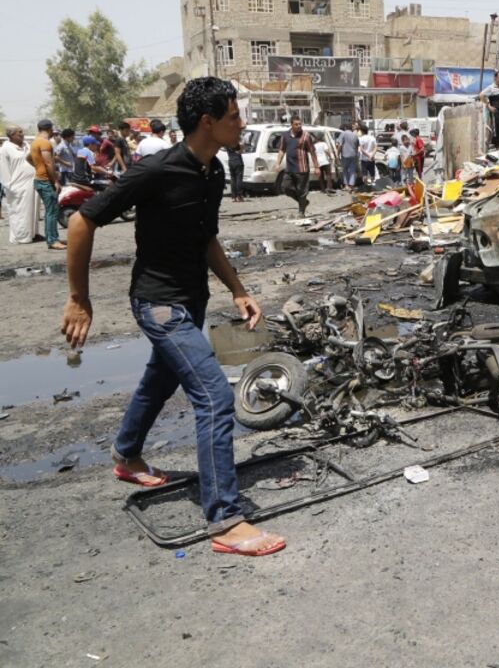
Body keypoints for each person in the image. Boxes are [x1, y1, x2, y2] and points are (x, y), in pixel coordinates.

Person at [61, 76, 285, 557]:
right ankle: (225, 520)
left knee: (160, 379)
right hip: (159, 304)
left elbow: (206, 238)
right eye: (234, 116)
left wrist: (238, 290)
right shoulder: (155, 170)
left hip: (192, 299)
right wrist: (79, 298)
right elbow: (82, 221)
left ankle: (126, 455)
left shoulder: (213, 171)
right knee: (214, 397)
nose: (241, 123)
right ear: (207, 122)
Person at [29, 118, 66, 250]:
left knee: (50, 210)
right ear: (50, 129)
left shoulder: (35, 142)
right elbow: (49, 163)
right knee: (52, 211)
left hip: (40, 179)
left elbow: (28, 158)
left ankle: (53, 237)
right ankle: (52, 240)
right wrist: (55, 181)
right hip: (46, 181)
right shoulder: (45, 143)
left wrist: (38, 167)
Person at [0, 126, 39, 244]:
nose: (22, 134)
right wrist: (10, 187)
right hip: (17, 186)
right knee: (19, 212)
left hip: (32, 183)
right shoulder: (5, 149)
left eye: (22, 132)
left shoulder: (27, 145)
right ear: (11, 135)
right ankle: (21, 237)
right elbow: (4, 170)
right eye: (19, 132)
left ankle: (32, 234)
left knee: (33, 211)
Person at [274, 116, 317, 216]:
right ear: (291, 125)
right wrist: (277, 163)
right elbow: (282, 150)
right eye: (296, 124)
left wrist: (317, 167)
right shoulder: (285, 135)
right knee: (285, 187)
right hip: (290, 168)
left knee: (302, 191)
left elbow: (312, 152)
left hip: (302, 168)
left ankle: (301, 211)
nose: (299, 126)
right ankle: (303, 202)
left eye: (300, 124)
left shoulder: (306, 136)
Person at [338, 124, 359, 189]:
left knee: (345, 170)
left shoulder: (343, 134)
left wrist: (337, 154)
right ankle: (351, 185)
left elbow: (340, 145)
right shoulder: (355, 135)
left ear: (345, 128)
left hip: (345, 155)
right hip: (354, 155)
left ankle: (346, 185)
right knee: (352, 170)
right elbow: (357, 145)